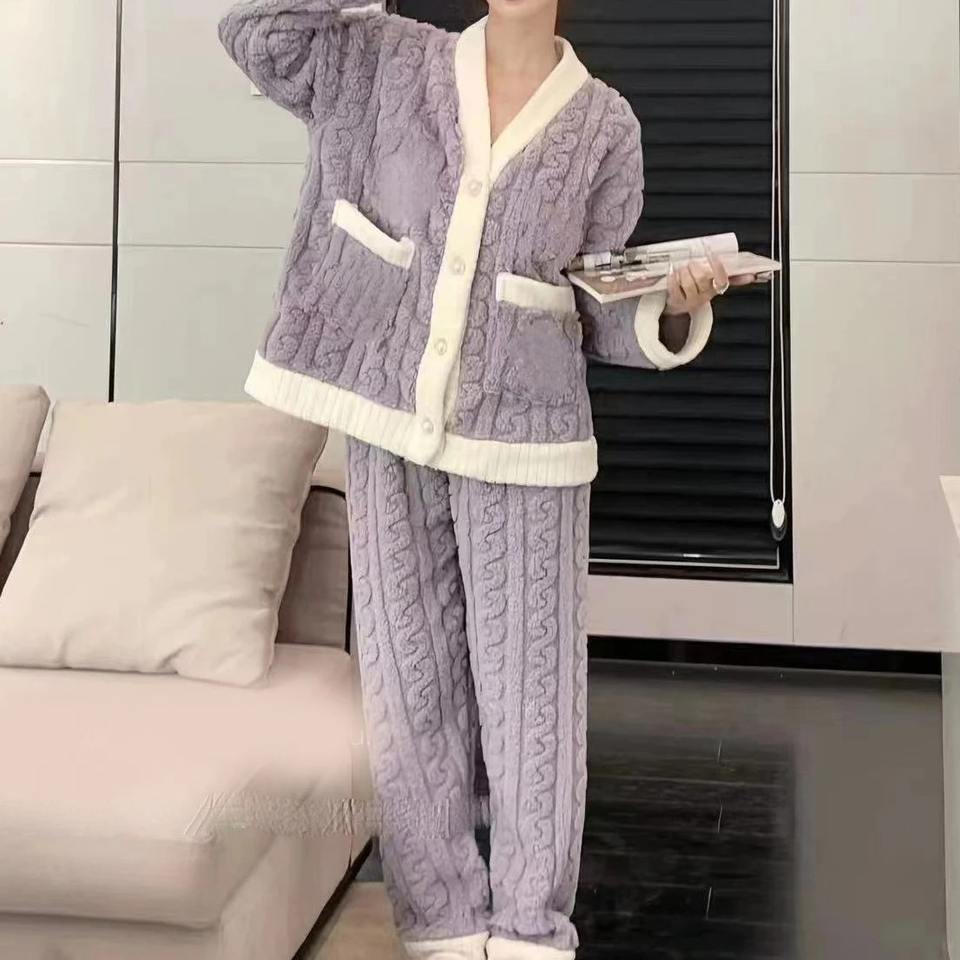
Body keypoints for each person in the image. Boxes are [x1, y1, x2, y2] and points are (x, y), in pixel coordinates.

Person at [219, 1, 752, 957]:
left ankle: (531, 929)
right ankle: (441, 923)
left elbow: (599, 309)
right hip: (388, 416)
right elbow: (258, 35)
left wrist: (669, 307)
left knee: (530, 694)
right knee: (408, 684)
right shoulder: (383, 58)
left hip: (528, 434)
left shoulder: (604, 124)